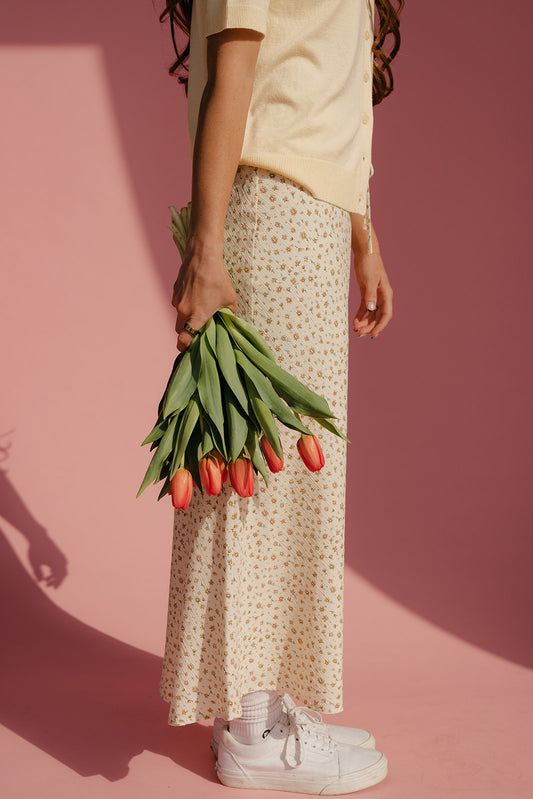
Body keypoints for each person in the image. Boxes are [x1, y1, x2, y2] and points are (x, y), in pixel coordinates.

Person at [156, 0, 403, 793]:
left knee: (286, 466)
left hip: (311, 216)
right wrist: (207, 251)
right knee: (258, 469)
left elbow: (326, 91)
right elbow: (235, 78)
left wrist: (362, 233)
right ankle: (253, 728)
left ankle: (261, 703)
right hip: (271, 210)